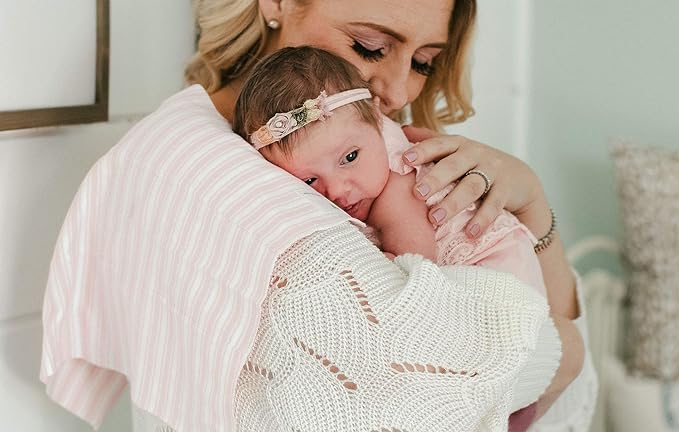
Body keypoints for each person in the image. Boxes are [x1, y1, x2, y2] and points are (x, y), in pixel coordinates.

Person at [40, 0, 597, 431]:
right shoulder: (231, 179)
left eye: (425, 61)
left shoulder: (369, 154)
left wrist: (532, 208)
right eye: (370, 45)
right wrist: (564, 347)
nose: (399, 90)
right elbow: (453, 381)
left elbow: (561, 400)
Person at [232, 43, 585, 422]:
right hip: (499, 275)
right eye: (309, 179)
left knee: (492, 385)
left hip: (494, 264)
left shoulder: (399, 187)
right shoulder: (360, 167)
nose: (338, 190)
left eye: (350, 158)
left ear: (378, 123)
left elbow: (415, 265)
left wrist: (380, 267)